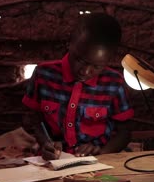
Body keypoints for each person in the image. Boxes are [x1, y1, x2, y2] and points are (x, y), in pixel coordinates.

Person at [22, 13, 134, 160]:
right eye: (79, 59)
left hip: (97, 160)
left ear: (109, 59)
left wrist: (102, 153)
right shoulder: (43, 74)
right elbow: (35, 119)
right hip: (52, 161)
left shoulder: (114, 83)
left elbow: (125, 132)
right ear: (69, 43)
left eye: (96, 66)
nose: (85, 71)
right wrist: (45, 144)